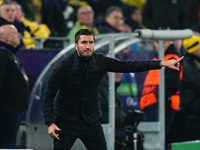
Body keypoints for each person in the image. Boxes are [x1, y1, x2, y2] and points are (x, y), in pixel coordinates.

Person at [43, 29, 183, 150]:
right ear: (75, 45)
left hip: (90, 121)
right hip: (66, 122)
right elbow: (48, 95)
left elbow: (130, 66)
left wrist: (162, 63)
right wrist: (50, 123)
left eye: (91, 43)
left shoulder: (100, 61)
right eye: (84, 43)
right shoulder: (63, 66)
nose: (88, 46)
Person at [139, 40, 182, 148]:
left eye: (163, 42)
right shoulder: (157, 58)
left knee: (157, 142)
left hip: (163, 106)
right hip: (152, 105)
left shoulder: (172, 58)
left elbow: (172, 84)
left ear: (169, 42)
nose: (158, 45)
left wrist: (155, 100)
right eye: (156, 42)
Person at [0, 24, 29, 148]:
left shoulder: (11, 54)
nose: (19, 35)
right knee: (6, 143)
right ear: (6, 38)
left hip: (13, 110)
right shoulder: (2, 55)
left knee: (10, 143)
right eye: (15, 33)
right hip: (6, 111)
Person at [174, 35, 200, 142]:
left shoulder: (193, 63)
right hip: (190, 112)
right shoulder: (187, 65)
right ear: (194, 49)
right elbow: (197, 83)